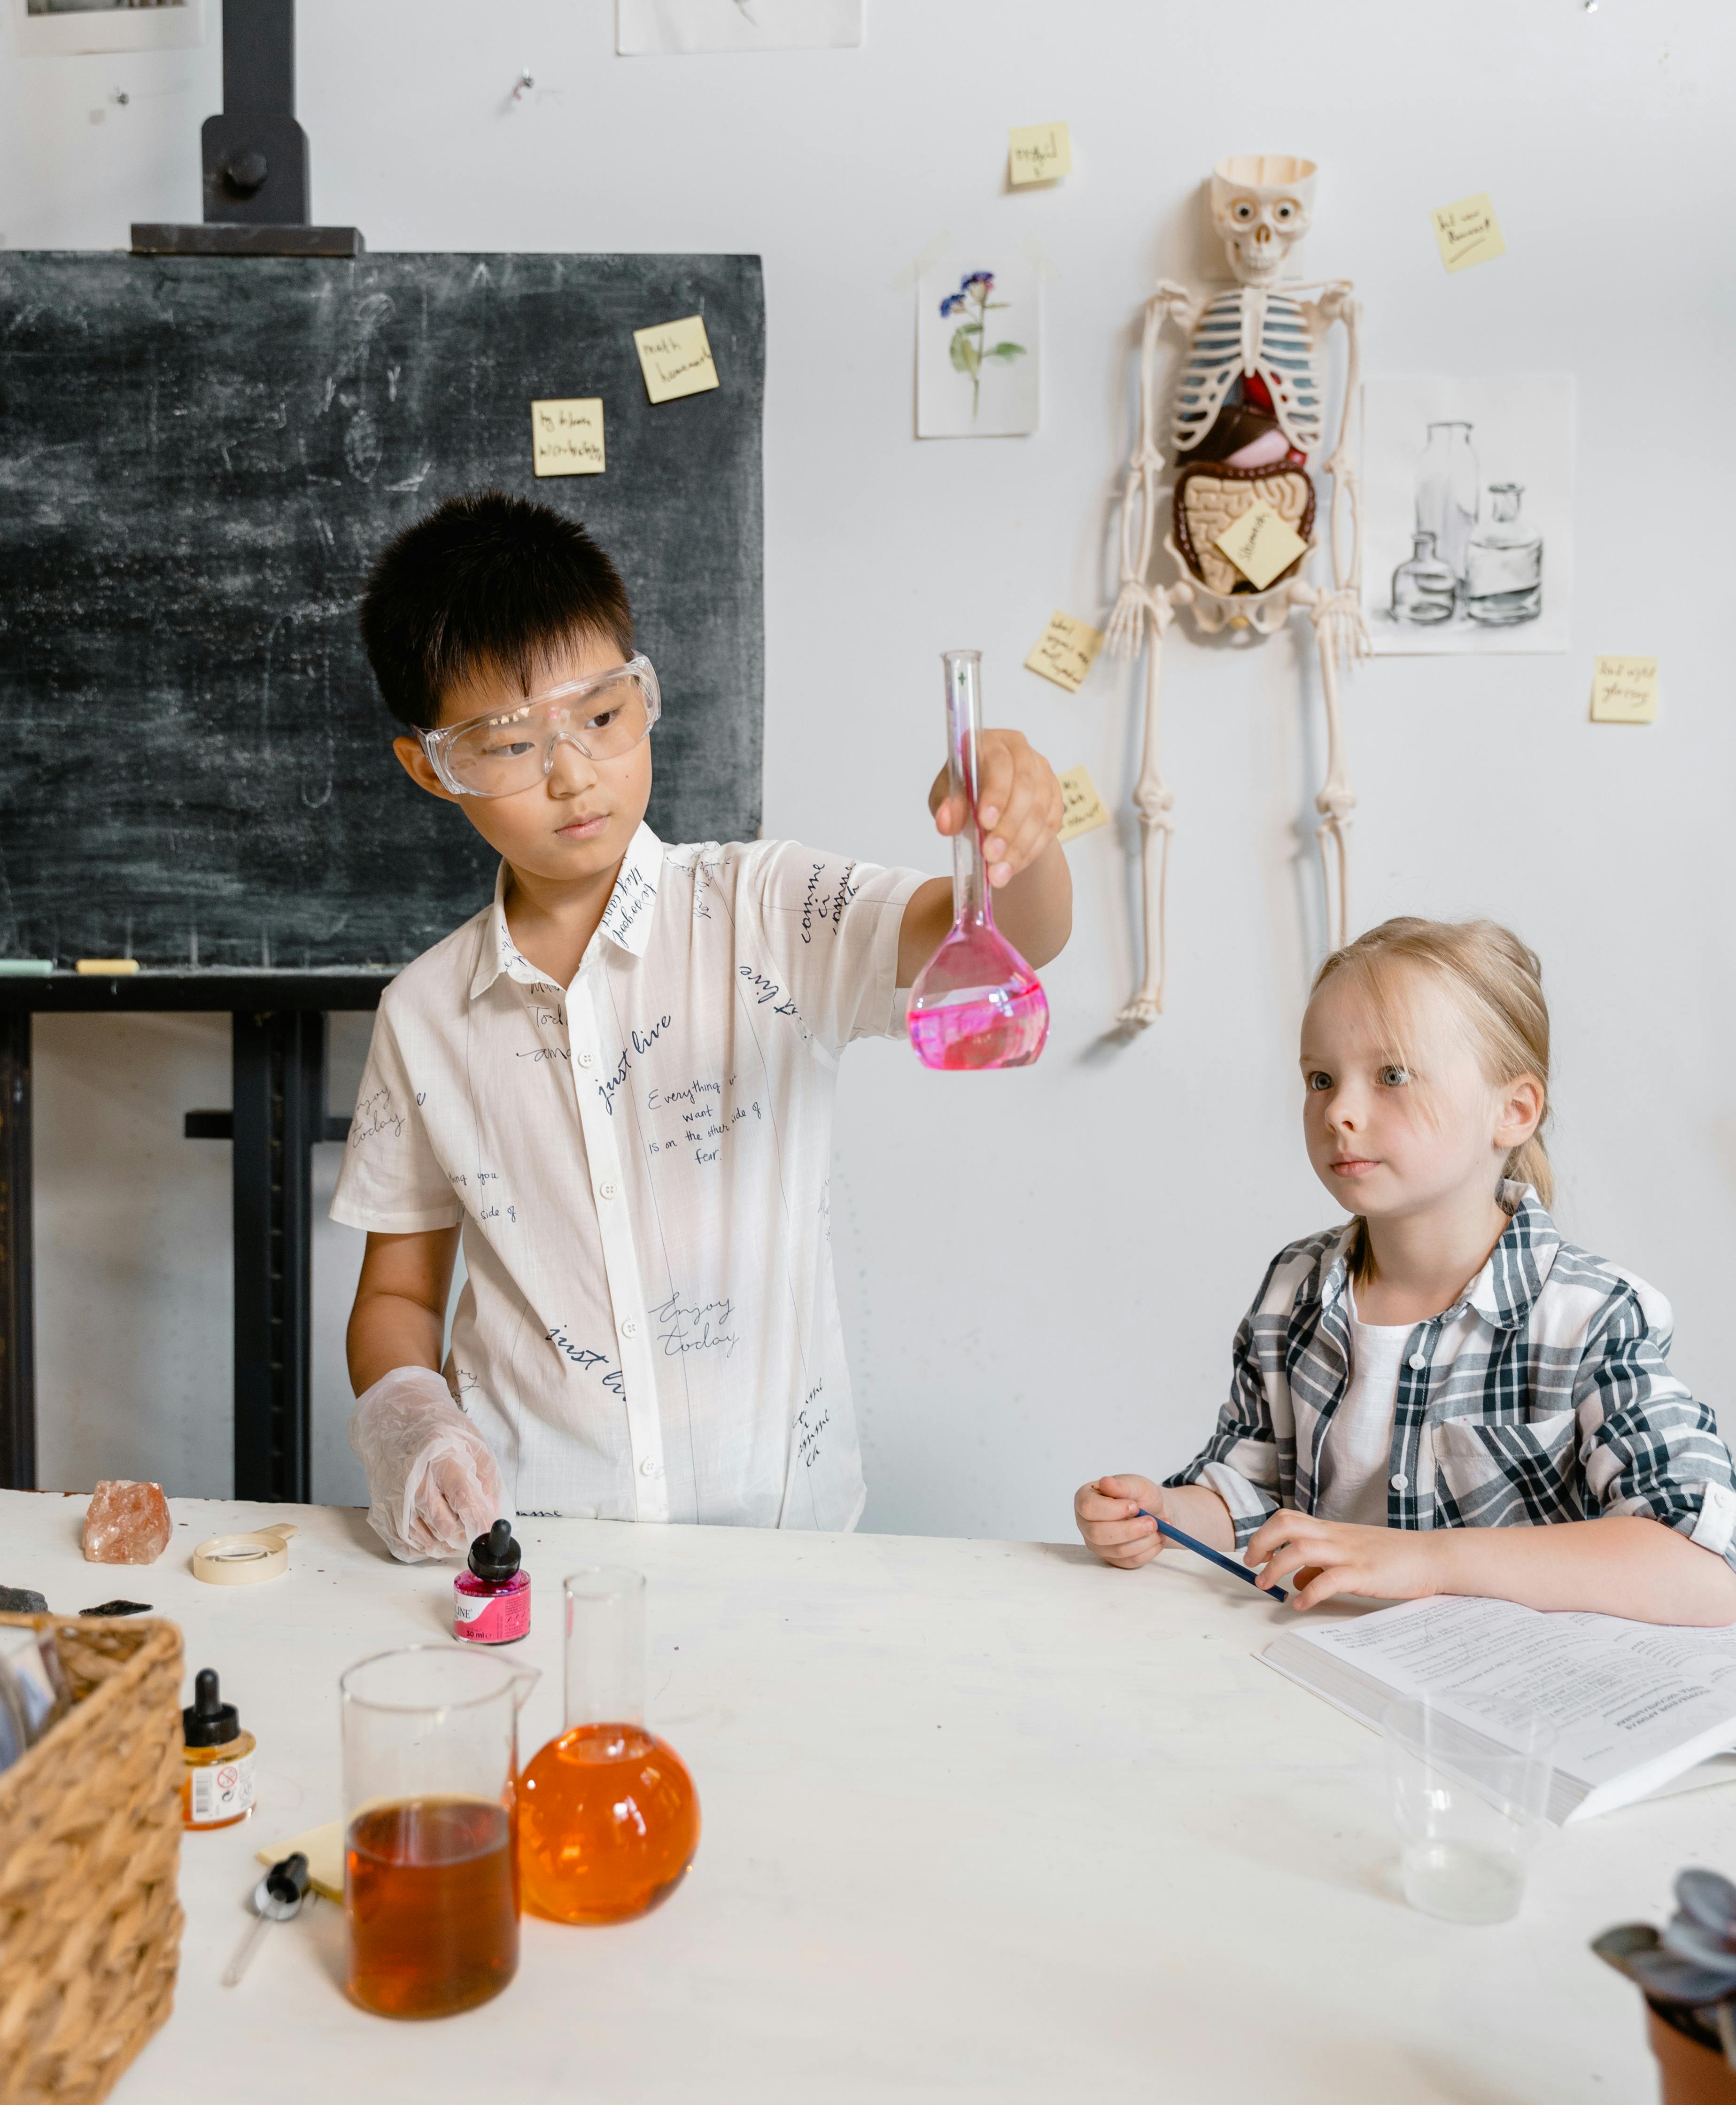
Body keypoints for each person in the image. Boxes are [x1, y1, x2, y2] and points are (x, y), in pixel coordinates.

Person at [333, 491, 1071, 1558]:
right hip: (533, 1543)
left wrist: (1019, 833)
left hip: (781, 1548)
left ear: (644, 695)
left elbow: (1012, 936)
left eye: (601, 715)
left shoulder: (769, 912)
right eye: (506, 744)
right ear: (431, 767)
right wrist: (413, 1425)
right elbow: (398, 1292)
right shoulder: (426, 1016)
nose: (571, 773)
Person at [1076, 917, 1736, 1625]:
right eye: (1320, 1079)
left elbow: (1705, 1569)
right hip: (1321, 1682)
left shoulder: (1592, 1313)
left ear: (1513, 1111)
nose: (1341, 1113)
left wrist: (1424, 1561)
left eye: (1392, 1075)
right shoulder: (1293, 1289)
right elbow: (1250, 1496)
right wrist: (1164, 1513)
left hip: (1514, 1713)